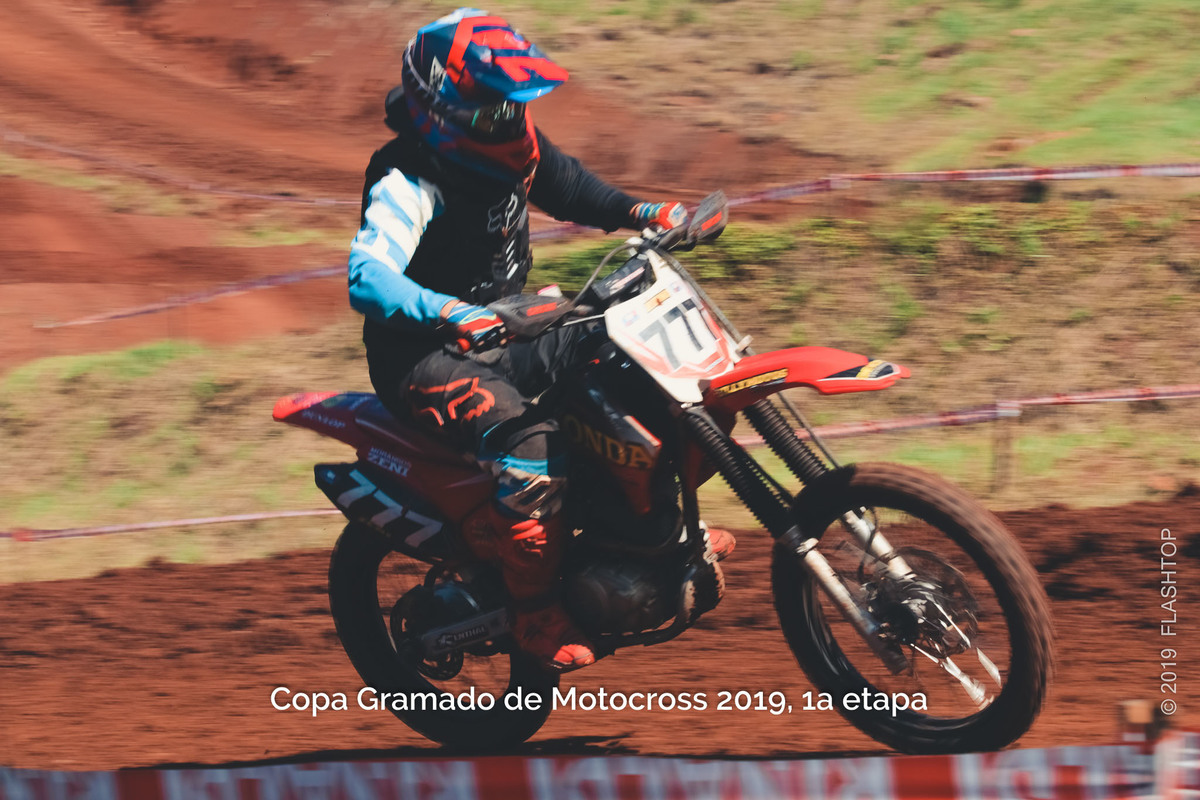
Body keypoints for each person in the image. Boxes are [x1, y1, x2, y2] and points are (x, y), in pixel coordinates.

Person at [348, 8, 731, 672]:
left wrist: (647, 212)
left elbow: (570, 186)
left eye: (512, 105)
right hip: (424, 356)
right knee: (531, 446)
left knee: (622, 354)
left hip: (505, 326)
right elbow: (368, 274)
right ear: (441, 109)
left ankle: (652, 532)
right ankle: (534, 613)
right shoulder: (406, 177)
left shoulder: (507, 141)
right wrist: (447, 311)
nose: (507, 118)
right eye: (491, 109)